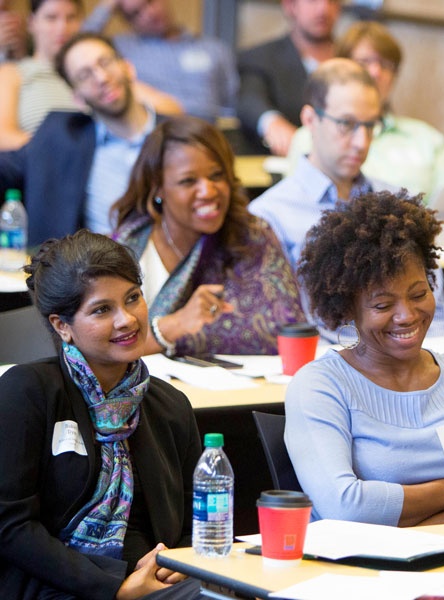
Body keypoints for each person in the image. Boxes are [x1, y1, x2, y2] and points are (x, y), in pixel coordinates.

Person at [284, 190, 444, 526]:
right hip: (360, 570)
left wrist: (420, 532)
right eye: (383, 306)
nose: (407, 315)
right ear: (348, 309)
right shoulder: (319, 387)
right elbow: (345, 507)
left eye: (418, 294)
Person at [0, 230, 203, 599]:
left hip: (158, 580)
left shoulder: (169, 405)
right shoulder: (28, 392)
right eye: (102, 310)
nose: (127, 320)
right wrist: (115, 588)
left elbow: (196, 521)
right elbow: (9, 525)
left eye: (132, 299)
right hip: (57, 586)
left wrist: (176, 565)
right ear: (63, 326)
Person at [249, 58, 444, 339]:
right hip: (329, 368)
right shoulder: (269, 215)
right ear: (311, 120)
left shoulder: (398, 206)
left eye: (370, 125)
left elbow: (439, 315)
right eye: (346, 124)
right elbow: (284, 330)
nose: (362, 142)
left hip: (415, 361)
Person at [113, 115, 305, 357]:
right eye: (188, 181)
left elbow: (286, 328)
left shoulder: (252, 236)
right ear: (158, 187)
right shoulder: (128, 246)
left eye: (216, 176)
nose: (207, 191)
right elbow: (101, 345)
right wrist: (177, 324)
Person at [0, 32, 163, 243]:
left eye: (105, 62)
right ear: (77, 98)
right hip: (96, 267)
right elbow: (7, 168)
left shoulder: (176, 136)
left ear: (127, 67)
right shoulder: (61, 135)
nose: (102, 78)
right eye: (84, 75)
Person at [286, 21, 444, 198]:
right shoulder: (311, 136)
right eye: (364, 62)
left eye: (385, 64)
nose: (375, 72)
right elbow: (298, 207)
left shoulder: (429, 140)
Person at [82, 0, 238, 123]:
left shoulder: (214, 48)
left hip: (213, 130)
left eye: (151, 1)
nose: (149, 13)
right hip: (160, 136)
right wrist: (108, 5)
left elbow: (233, 101)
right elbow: (79, 47)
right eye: (136, 13)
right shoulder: (125, 50)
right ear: (128, 22)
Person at [237, 0, 340, 155]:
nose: (323, 9)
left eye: (332, 1)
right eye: (312, 1)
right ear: (290, 6)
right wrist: (271, 122)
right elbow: (250, 98)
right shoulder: (261, 57)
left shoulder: (352, 59)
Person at [0, 0, 81, 150]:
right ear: (32, 23)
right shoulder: (12, 73)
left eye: (71, 18)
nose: (62, 28)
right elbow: (3, 136)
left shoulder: (90, 77)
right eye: (51, 18)